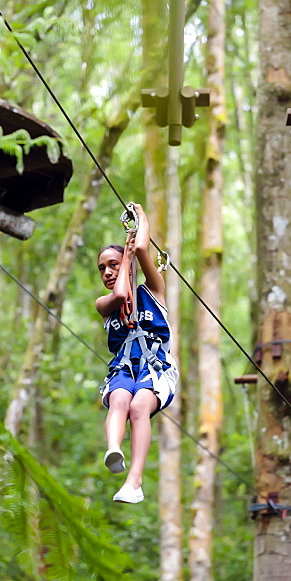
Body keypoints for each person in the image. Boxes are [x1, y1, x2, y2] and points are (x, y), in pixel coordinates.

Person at [96, 203, 178, 504]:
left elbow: (142, 250)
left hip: (156, 369)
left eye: (113, 265)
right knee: (119, 399)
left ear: (127, 265)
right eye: (102, 268)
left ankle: (135, 482)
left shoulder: (153, 291)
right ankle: (114, 449)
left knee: (139, 407)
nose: (107, 272)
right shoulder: (103, 304)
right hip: (123, 369)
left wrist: (141, 218)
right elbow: (119, 296)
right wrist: (124, 262)